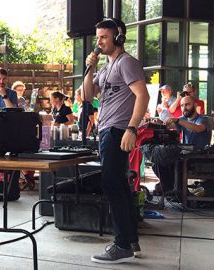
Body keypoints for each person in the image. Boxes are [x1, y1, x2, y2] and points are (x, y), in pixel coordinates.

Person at [83, 18, 149, 263]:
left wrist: (132, 128)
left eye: (104, 37)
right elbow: (87, 96)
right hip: (107, 131)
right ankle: (131, 239)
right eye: (97, 37)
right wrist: (90, 68)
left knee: (111, 184)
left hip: (117, 130)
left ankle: (122, 244)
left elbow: (143, 95)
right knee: (119, 185)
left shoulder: (127, 63)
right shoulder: (106, 66)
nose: (99, 42)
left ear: (118, 38)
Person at [152, 96, 211, 194]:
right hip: (185, 155)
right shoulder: (183, 119)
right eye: (182, 105)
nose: (184, 107)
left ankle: (178, 192)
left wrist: (178, 121)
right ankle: (169, 188)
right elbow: (169, 125)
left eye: (187, 104)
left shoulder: (203, 119)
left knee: (176, 163)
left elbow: (198, 129)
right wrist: (160, 123)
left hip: (199, 157)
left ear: (195, 105)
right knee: (158, 162)